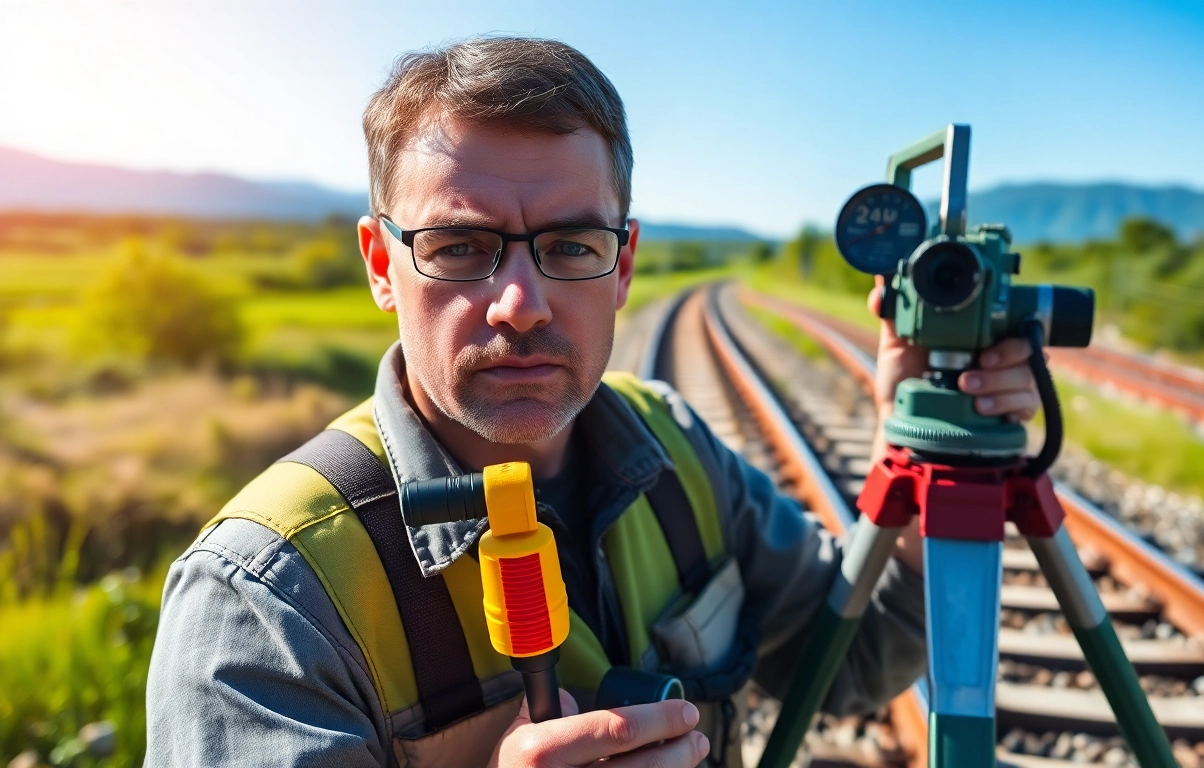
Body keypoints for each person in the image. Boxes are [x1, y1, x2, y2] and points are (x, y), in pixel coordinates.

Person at [144, 36, 1044, 768]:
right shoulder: (269, 604)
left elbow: (851, 663)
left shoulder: (679, 452)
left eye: (571, 245)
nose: (521, 303)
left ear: (624, 263)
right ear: (383, 266)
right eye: (461, 246)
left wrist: (925, 441)